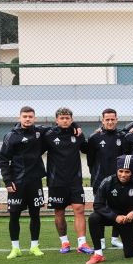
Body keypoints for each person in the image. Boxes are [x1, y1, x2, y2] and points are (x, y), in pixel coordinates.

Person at [0, 106, 48, 259]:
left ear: (34, 118)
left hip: (35, 182)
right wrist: (8, 181)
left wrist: (75, 126)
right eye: (25, 116)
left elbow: (60, 127)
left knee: (35, 215)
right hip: (17, 183)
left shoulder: (40, 132)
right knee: (14, 215)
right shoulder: (11, 136)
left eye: (30, 116)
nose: (27, 119)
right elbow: (3, 159)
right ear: (19, 118)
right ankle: (15, 248)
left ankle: (34, 246)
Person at [85, 155, 133, 264]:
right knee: (93, 218)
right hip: (112, 216)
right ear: (117, 170)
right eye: (121, 171)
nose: (123, 175)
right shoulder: (107, 182)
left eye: (127, 172)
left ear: (132, 172)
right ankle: (98, 254)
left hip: (128, 220)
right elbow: (98, 205)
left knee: (130, 254)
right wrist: (114, 216)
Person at [43, 107, 91, 254]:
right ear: (56, 120)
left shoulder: (78, 134)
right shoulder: (49, 135)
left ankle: (82, 243)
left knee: (79, 209)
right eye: (62, 118)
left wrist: (78, 127)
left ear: (71, 119)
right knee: (59, 212)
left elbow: (86, 149)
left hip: (75, 180)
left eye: (67, 118)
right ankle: (64, 242)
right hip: (56, 181)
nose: (65, 120)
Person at [86, 108, 128, 250]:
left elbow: (125, 159)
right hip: (99, 180)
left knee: (119, 207)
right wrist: (96, 174)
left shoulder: (123, 137)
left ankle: (115, 239)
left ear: (117, 120)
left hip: (119, 180)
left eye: (112, 119)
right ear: (102, 120)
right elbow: (90, 161)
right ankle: (101, 240)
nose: (110, 122)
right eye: (107, 119)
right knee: (100, 210)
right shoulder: (94, 138)